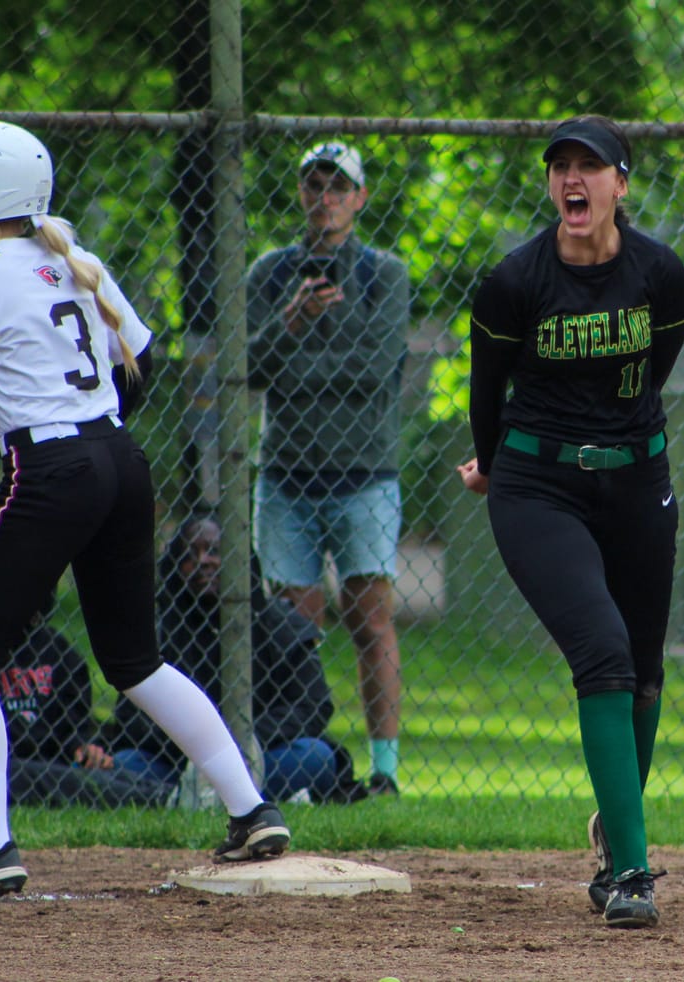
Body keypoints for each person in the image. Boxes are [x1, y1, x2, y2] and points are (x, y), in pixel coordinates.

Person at [0, 120, 289, 901]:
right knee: (135, 660)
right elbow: (142, 370)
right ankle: (251, 808)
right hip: (119, 461)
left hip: (50, 468)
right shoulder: (76, 257)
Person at [456, 115, 684, 928]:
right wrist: (491, 464)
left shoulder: (659, 274)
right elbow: (486, 394)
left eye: (591, 166)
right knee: (603, 651)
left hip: (637, 479)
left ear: (621, 184)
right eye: (562, 166)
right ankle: (631, 873)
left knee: (646, 669)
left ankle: (611, 829)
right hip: (537, 485)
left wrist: (619, 434)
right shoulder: (515, 282)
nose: (573, 178)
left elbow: (657, 365)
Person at [246, 141, 410, 795]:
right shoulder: (269, 274)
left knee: (372, 622)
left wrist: (297, 369)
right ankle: (304, 764)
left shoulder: (383, 275)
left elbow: (376, 373)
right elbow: (250, 369)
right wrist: (293, 321)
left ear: (360, 198)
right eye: (314, 185)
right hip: (286, 476)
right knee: (292, 629)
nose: (326, 197)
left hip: (364, 475)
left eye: (339, 187)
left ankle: (385, 771)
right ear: (301, 194)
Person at [111, 514, 369, 804]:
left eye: (214, 551)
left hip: (262, 755)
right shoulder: (159, 630)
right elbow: (130, 714)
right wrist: (198, 748)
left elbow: (313, 704)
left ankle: (194, 798)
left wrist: (241, 742)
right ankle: (206, 793)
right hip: (180, 762)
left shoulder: (280, 625)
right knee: (126, 763)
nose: (203, 561)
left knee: (315, 756)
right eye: (189, 554)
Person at [0, 593, 173, 810]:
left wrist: (82, 747)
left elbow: (72, 729)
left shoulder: (56, 650)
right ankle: (159, 799)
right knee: (37, 778)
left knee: (94, 772)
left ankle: (163, 793)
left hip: (48, 767)